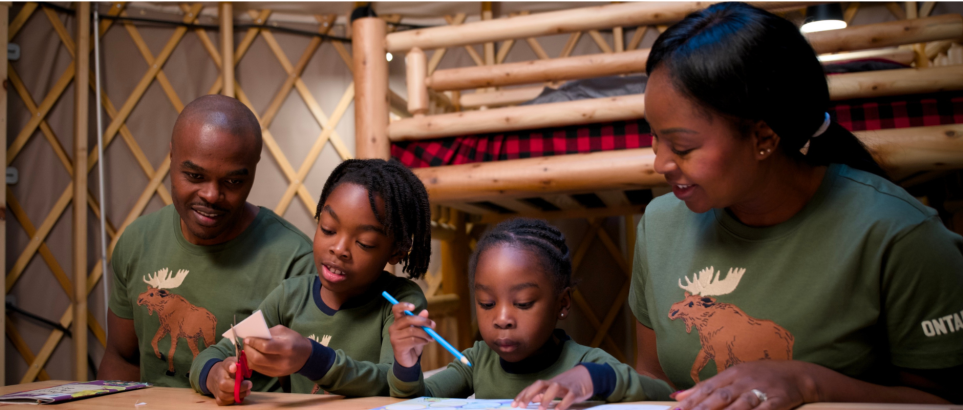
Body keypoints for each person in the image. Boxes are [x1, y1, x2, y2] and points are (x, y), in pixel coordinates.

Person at [630, 3, 963, 409]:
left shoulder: (901, 236)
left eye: (682, 147)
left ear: (763, 138)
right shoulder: (659, 226)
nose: (660, 163)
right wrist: (596, 377)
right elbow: (655, 381)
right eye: (654, 138)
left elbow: (945, 400)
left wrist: (809, 383)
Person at [97, 95, 316, 387]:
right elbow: (121, 358)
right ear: (171, 156)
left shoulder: (294, 260)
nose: (212, 195)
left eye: (233, 181)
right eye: (194, 175)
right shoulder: (138, 241)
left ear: (254, 168)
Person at [191, 158, 432, 405]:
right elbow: (213, 354)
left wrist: (312, 358)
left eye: (364, 243)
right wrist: (215, 375)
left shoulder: (401, 303)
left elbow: (397, 387)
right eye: (328, 229)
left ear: (397, 251)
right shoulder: (290, 297)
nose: (339, 249)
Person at [388, 218, 673, 409]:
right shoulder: (474, 362)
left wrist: (596, 379)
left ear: (562, 304)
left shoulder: (588, 364)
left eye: (523, 303)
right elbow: (415, 402)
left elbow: (663, 397)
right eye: (486, 303)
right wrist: (406, 364)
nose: (501, 318)